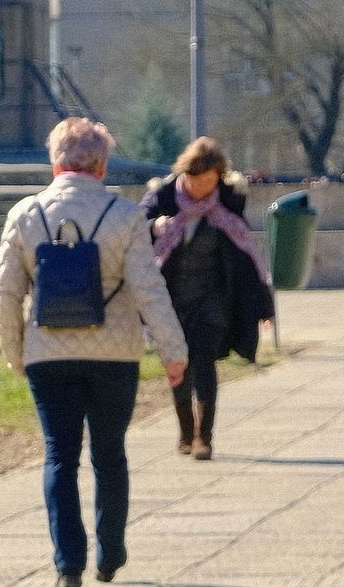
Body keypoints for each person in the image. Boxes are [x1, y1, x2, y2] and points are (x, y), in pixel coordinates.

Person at [0, 117, 188, 587]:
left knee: (60, 456)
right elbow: (149, 290)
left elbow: (6, 294)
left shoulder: (25, 215)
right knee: (109, 453)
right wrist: (173, 352)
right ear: (101, 166)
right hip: (114, 354)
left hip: (47, 354)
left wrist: (16, 353)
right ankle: (111, 551)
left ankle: (68, 564)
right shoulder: (125, 216)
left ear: (54, 162)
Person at [143, 137, 274, 461]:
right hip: (171, 300)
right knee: (177, 363)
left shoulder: (227, 204)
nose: (204, 188)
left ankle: (204, 437)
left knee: (203, 362)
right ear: (185, 175)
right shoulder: (162, 198)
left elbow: (247, 257)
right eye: (198, 181)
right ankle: (186, 431)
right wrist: (154, 227)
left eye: (210, 181)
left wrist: (263, 304)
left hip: (213, 299)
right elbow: (133, 231)